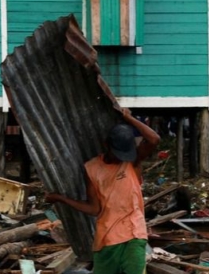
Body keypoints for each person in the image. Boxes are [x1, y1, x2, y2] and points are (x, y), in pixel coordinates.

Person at [45, 108, 160, 274]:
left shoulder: (132, 161)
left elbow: (154, 139)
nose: (120, 158)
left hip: (134, 233)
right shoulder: (92, 168)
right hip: (107, 237)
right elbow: (94, 208)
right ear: (106, 145)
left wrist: (129, 117)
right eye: (117, 153)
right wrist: (60, 198)